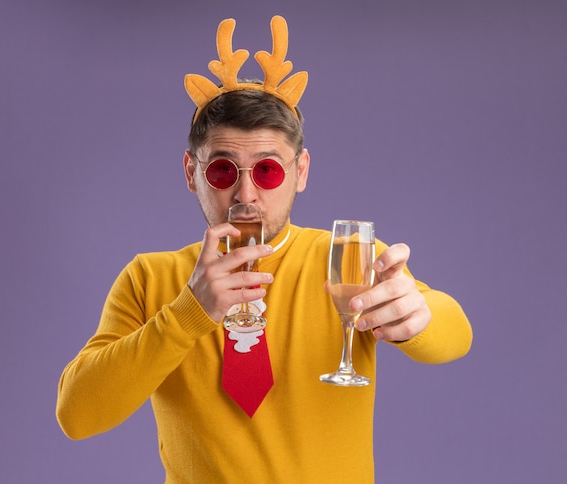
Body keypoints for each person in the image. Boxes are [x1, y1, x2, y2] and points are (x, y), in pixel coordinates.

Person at [56, 15, 472, 483]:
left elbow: (455, 335)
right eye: (222, 171)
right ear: (192, 173)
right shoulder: (149, 278)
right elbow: (78, 415)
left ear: (301, 172)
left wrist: (420, 317)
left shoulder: (344, 258)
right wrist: (189, 311)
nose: (246, 195)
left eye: (268, 171)